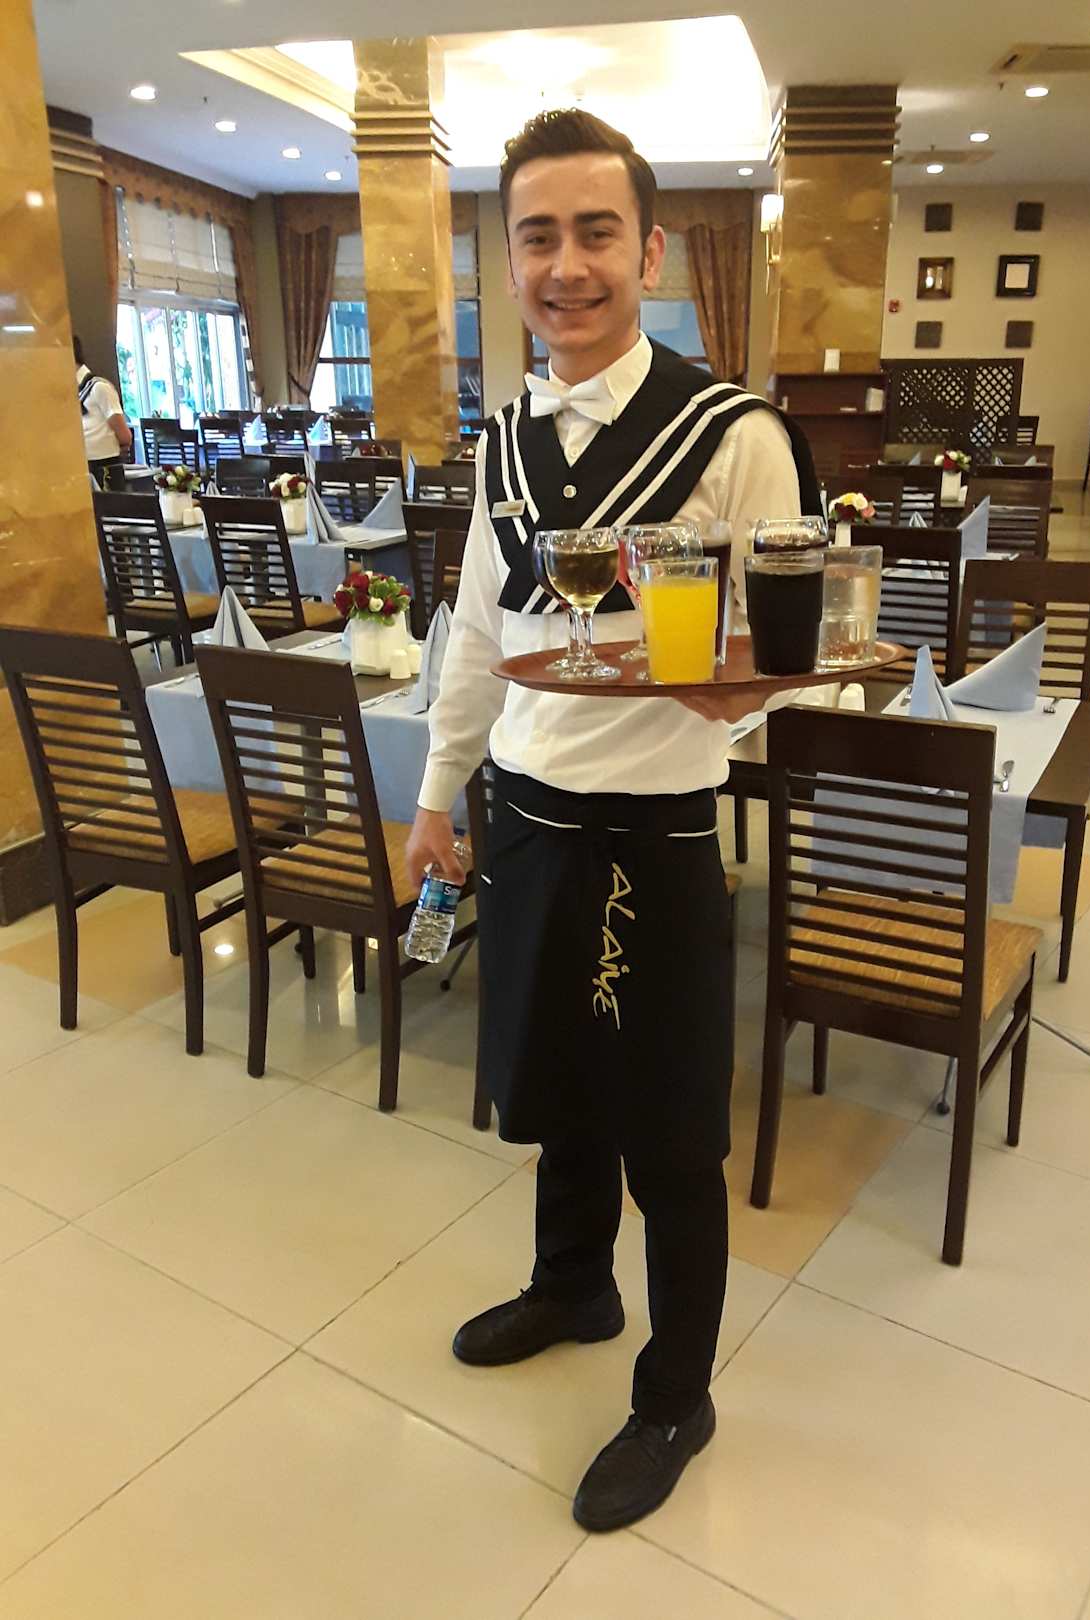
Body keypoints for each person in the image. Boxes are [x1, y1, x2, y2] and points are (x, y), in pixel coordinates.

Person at [404, 108, 820, 1534]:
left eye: (595, 233)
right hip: (525, 811)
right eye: (536, 236)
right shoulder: (504, 439)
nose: (564, 265)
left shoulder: (733, 432)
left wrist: (740, 704)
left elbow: (783, 642)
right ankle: (573, 1283)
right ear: (510, 259)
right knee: (557, 1082)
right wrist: (436, 794)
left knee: (670, 1128)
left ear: (648, 253)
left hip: (655, 830)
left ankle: (675, 1393)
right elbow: (476, 631)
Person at [75, 334, 132, 489]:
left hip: (106, 465)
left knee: (111, 504)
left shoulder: (99, 387)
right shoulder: (70, 390)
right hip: (82, 464)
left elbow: (125, 436)